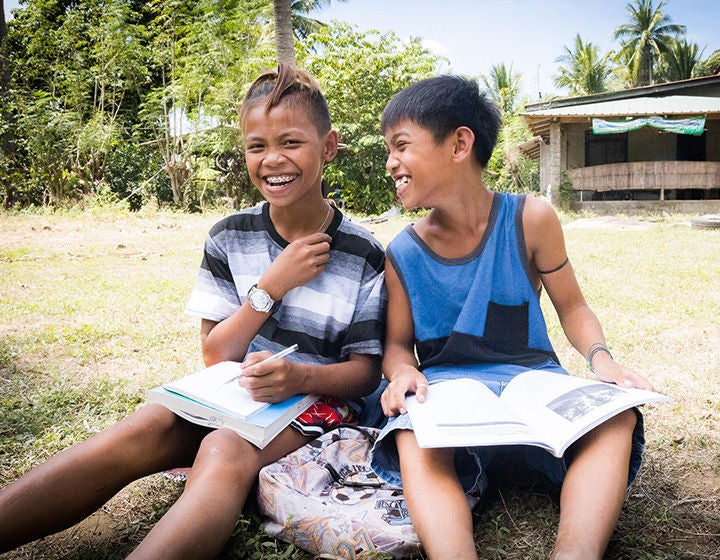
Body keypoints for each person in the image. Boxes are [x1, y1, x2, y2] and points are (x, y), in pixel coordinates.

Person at [0, 64, 386, 559]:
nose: (273, 160)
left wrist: (296, 377)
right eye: (256, 145)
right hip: (233, 394)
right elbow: (216, 353)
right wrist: (271, 285)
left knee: (224, 448)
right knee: (143, 426)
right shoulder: (229, 236)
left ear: (328, 147)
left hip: (317, 406)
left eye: (291, 142)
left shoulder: (363, 253)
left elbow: (364, 373)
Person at [369, 74, 653, 560]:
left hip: (532, 386)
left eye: (401, 146)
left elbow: (573, 306)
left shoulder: (531, 219)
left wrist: (601, 360)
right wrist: (402, 372)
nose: (390, 162)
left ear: (460, 143)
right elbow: (397, 345)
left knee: (617, 418)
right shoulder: (403, 251)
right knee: (415, 438)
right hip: (448, 399)